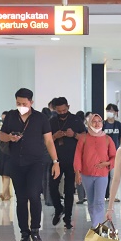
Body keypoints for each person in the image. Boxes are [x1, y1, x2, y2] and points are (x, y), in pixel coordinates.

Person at [0, 88, 61, 241]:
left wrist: (55, 161)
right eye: (18, 103)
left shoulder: (41, 118)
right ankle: (24, 234)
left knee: (34, 195)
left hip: (35, 163)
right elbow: (1, 136)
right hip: (16, 163)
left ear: (31, 102)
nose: (21, 106)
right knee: (21, 198)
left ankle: (35, 231)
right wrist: (10, 138)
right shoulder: (11, 116)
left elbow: (48, 141)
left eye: (24, 103)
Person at [48, 97, 87, 230]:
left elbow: (85, 138)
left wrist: (74, 134)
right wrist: (54, 137)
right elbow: (45, 140)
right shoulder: (52, 121)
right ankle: (59, 208)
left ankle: (68, 218)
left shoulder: (76, 120)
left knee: (69, 190)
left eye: (64, 110)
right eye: (59, 111)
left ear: (68, 107)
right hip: (55, 161)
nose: (62, 113)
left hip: (72, 160)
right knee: (52, 187)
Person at [74, 114, 116, 228]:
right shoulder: (83, 138)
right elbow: (78, 156)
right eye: (94, 121)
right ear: (89, 123)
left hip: (102, 175)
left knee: (99, 201)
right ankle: (95, 223)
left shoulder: (107, 139)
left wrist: (106, 163)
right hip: (86, 174)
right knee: (91, 201)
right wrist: (77, 172)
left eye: (99, 121)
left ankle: (97, 225)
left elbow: (114, 156)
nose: (97, 124)